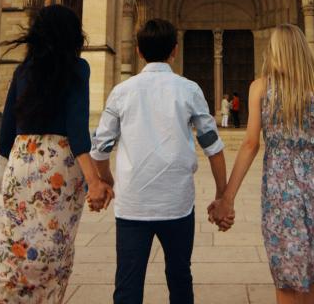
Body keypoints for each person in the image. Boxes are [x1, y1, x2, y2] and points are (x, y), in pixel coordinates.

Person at [209, 24, 314, 304]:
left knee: (286, 270)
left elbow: (251, 144)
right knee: (307, 270)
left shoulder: (261, 87)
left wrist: (227, 197)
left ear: (274, 51)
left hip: (280, 184)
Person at [91, 18, 227, 304]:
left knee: (128, 282)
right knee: (180, 277)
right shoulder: (188, 89)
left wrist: (107, 181)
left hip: (132, 205)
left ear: (138, 51)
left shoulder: (121, 91)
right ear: (174, 51)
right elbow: (213, 147)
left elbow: (100, 149)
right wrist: (221, 196)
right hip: (176, 203)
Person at [0, 5, 113, 303]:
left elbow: (6, 133)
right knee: (53, 247)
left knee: (12, 243)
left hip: (21, 157)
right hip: (58, 164)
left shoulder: (22, 70)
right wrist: (94, 181)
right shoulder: (78, 67)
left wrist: (12, 164)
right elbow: (77, 129)